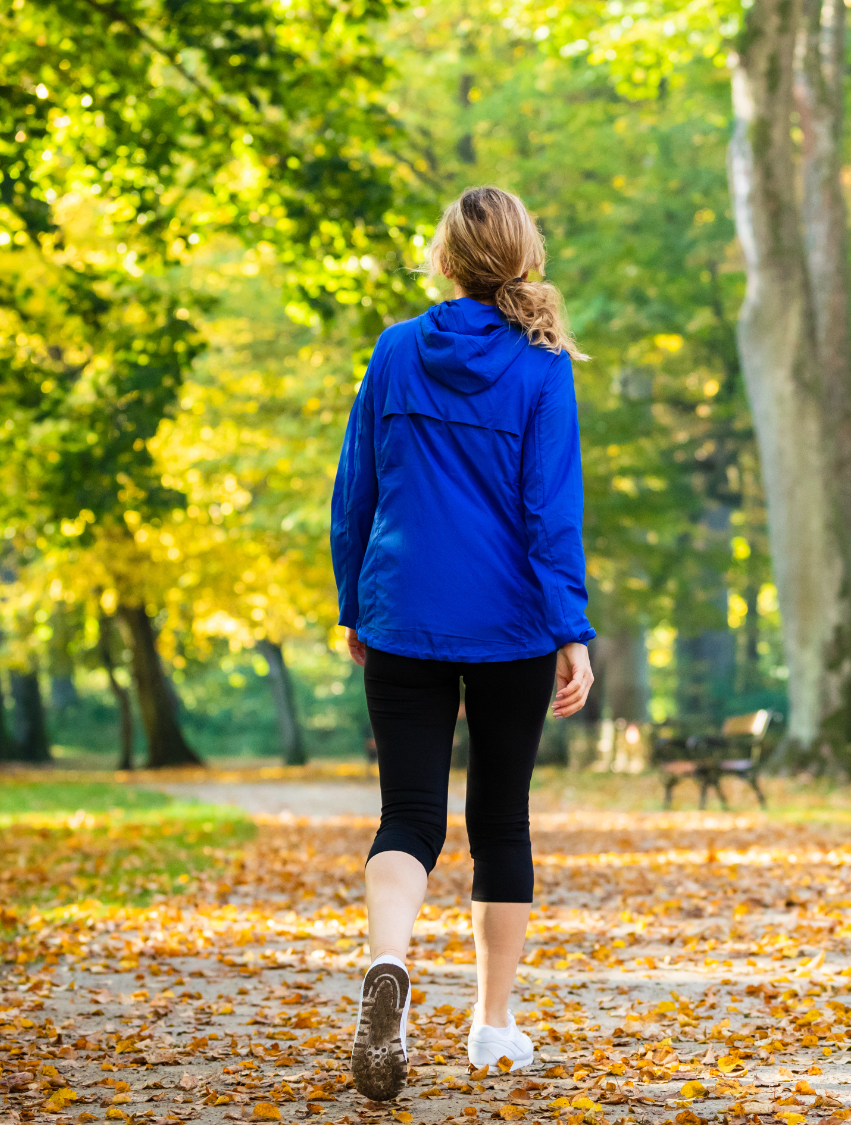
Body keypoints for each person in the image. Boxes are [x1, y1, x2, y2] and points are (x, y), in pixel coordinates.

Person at [330, 185, 596, 1101]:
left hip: (405, 611)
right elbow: (550, 510)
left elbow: (354, 490)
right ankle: (491, 1026)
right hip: (513, 624)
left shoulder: (397, 349)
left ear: (444, 258)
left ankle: (389, 963)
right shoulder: (541, 361)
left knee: (407, 813)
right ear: (523, 257)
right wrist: (572, 629)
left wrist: (354, 602)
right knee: (501, 818)